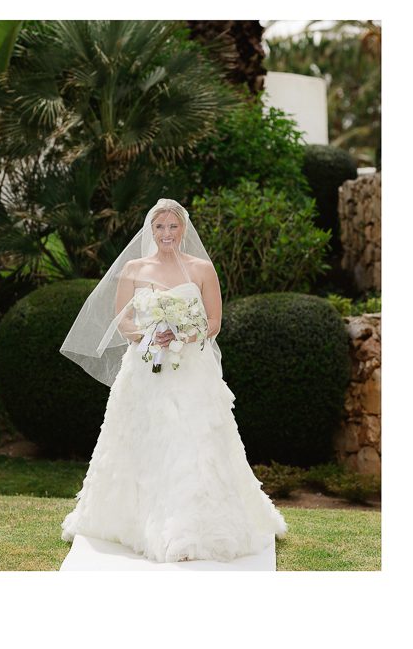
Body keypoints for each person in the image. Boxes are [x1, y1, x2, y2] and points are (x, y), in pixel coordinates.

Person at [59, 198, 288, 563]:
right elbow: (123, 321)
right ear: (151, 231)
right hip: (144, 369)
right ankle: (138, 519)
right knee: (142, 436)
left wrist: (183, 333)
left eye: (173, 227)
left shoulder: (201, 269)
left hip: (191, 370)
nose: (167, 233)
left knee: (194, 441)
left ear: (183, 230)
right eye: (160, 227)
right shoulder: (134, 268)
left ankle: (191, 527)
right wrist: (150, 333)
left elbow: (214, 321)